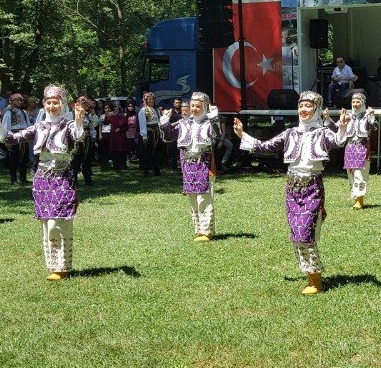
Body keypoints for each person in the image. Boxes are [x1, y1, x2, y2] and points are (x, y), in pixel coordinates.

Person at [232, 91, 350, 295]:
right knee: (296, 234)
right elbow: (265, 146)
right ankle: (309, 274)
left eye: (308, 106)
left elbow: (338, 141)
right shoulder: (290, 133)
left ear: (317, 109)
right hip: (292, 187)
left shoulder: (322, 133)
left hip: (312, 186)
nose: (303, 110)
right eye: (301, 106)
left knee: (305, 232)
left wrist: (342, 127)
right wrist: (243, 134)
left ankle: (315, 279)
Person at [0, 85, 89, 281]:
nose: (52, 106)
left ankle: (63, 264)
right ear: (44, 105)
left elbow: (78, 136)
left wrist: (79, 120)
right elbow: (12, 137)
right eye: (49, 103)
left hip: (63, 177)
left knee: (58, 221)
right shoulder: (38, 126)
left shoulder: (68, 125)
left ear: (62, 105)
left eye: (56, 103)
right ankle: (55, 267)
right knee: (46, 223)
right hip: (42, 179)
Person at [160, 92, 221, 241]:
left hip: (204, 163)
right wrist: (164, 122)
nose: (194, 109)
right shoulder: (183, 123)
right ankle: (198, 230)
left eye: (198, 106)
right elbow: (168, 137)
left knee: (204, 198)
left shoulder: (209, 122)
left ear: (205, 107)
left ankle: (207, 231)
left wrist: (214, 117)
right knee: (192, 198)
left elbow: (217, 133)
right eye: (192, 106)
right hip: (187, 164)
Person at [340, 92, 376, 209]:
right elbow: (337, 129)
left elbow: (373, 128)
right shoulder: (348, 116)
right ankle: (356, 198)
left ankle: (360, 199)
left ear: (363, 103)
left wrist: (371, 116)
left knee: (360, 174)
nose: (355, 104)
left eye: (358, 102)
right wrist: (329, 119)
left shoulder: (367, 116)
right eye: (353, 102)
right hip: (350, 148)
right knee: (351, 174)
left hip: (362, 147)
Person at [1, 93, 31, 184]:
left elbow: (28, 125)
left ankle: (23, 178)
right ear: (12, 101)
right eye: (17, 100)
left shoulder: (24, 112)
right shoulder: (8, 113)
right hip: (14, 137)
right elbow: (6, 127)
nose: (20, 102)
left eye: (21, 100)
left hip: (23, 136)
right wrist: (7, 140)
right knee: (14, 158)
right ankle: (13, 179)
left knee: (24, 158)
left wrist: (29, 135)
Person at [70, 97, 99, 185]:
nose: (86, 106)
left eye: (87, 105)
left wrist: (93, 115)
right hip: (76, 139)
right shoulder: (72, 113)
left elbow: (94, 125)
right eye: (84, 104)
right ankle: (73, 180)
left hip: (87, 139)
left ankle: (87, 179)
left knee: (87, 159)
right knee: (76, 158)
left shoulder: (88, 114)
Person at [137, 93, 161, 176]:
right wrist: (144, 135)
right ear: (146, 101)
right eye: (149, 99)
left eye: (152, 99)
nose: (151, 101)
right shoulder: (143, 110)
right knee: (147, 151)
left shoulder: (156, 110)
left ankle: (156, 170)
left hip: (156, 132)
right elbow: (142, 123)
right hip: (148, 133)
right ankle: (145, 170)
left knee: (156, 152)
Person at [103, 102, 129, 170]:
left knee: (122, 152)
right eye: (114, 109)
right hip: (113, 137)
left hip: (122, 137)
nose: (116, 111)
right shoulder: (110, 117)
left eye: (117, 109)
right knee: (115, 152)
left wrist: (120, 129)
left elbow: (126, 127)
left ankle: (123, 165)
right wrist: (107, 115)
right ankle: (116, 166)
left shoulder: (123, 117)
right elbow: (105, 124)